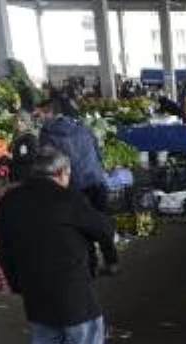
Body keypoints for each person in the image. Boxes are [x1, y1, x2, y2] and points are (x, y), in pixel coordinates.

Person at [0, 147, 116, 344]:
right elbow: (103, 229)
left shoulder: (9, 200)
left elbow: (3, 248)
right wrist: (110, 259)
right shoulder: (68, 199)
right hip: (72, 289)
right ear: (62, 173)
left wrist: (18, 284)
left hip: (34, 289)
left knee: (44, 343)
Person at [37, 102, 115, 274]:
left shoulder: (47, 134)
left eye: (40, 114)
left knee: (81, 227)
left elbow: (48, 163)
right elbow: (98, 151)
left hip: (73, 185)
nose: (39, 118)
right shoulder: (83, 127)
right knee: (101, 221)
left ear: (49, 113)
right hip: (95, 179)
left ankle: (91, 266)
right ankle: (112, 262)